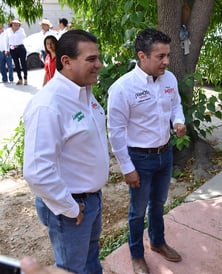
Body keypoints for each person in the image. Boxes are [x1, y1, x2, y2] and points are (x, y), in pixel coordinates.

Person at [23, 30, 109, 274]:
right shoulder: (48, 106)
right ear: (66, 62)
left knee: (91, 260)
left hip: (90, 200)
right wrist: (71, 208)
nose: (99, 65)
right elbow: (37, 172)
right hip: (71, 207)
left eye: (98, 58)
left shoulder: (84, 93)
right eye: (91, 59)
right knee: (72, 270)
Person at [107, 28, 186, 274]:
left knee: (159, 203)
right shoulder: (122, 89)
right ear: (142, 56)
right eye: (160, 56)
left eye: (168, 55)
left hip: (165, 153)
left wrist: (178, 121)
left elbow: (176, 106)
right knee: (137, 211)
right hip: (139, 159)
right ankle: (136, 254)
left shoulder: (169, 79)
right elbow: (116, 132)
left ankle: (158, 242)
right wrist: (127, 168)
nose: (167, 61)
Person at [7, 18, 27, 85]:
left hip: (20, 47)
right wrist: (7, 49)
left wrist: (17, 31)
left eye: (17, 24)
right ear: (11, 24)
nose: (15, 25)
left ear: (19, 25)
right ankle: (20, 79)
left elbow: (24, 37)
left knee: (23, 63)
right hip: (12, 48)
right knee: (16, 64)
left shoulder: (21, 30)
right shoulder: (8, 31)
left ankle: (25, 78)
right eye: (14, 24)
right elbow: (7, 41)